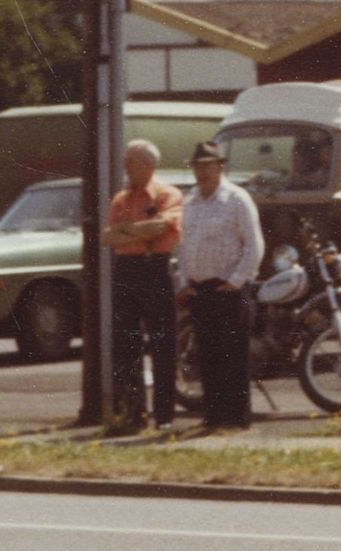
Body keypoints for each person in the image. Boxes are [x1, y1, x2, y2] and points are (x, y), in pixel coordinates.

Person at [176, 140, 264, 432]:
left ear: (220, 167)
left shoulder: (237, 199)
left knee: (233, 356)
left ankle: (236, 419)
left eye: (208, 166)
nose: (202, 172)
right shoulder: (190, 202)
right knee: (207, 355)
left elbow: (254, 245)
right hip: (199, 289)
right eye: (197, 166)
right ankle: (213, 417)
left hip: (229, 289)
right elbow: (184, 246)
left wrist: (237, 280)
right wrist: (184, 282)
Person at [102, 138, 183, 429]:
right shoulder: (121, 199)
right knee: (126, 343)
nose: (125, 167)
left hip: (154, 268)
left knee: (163, 343)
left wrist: (125, 230)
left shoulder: (166, 195)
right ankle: (133, 413)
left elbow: (161, 227)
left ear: (147, 165)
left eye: (130, 162)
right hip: (125, 270)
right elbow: (107, 237)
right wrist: (139, 231)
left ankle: (164, 416)